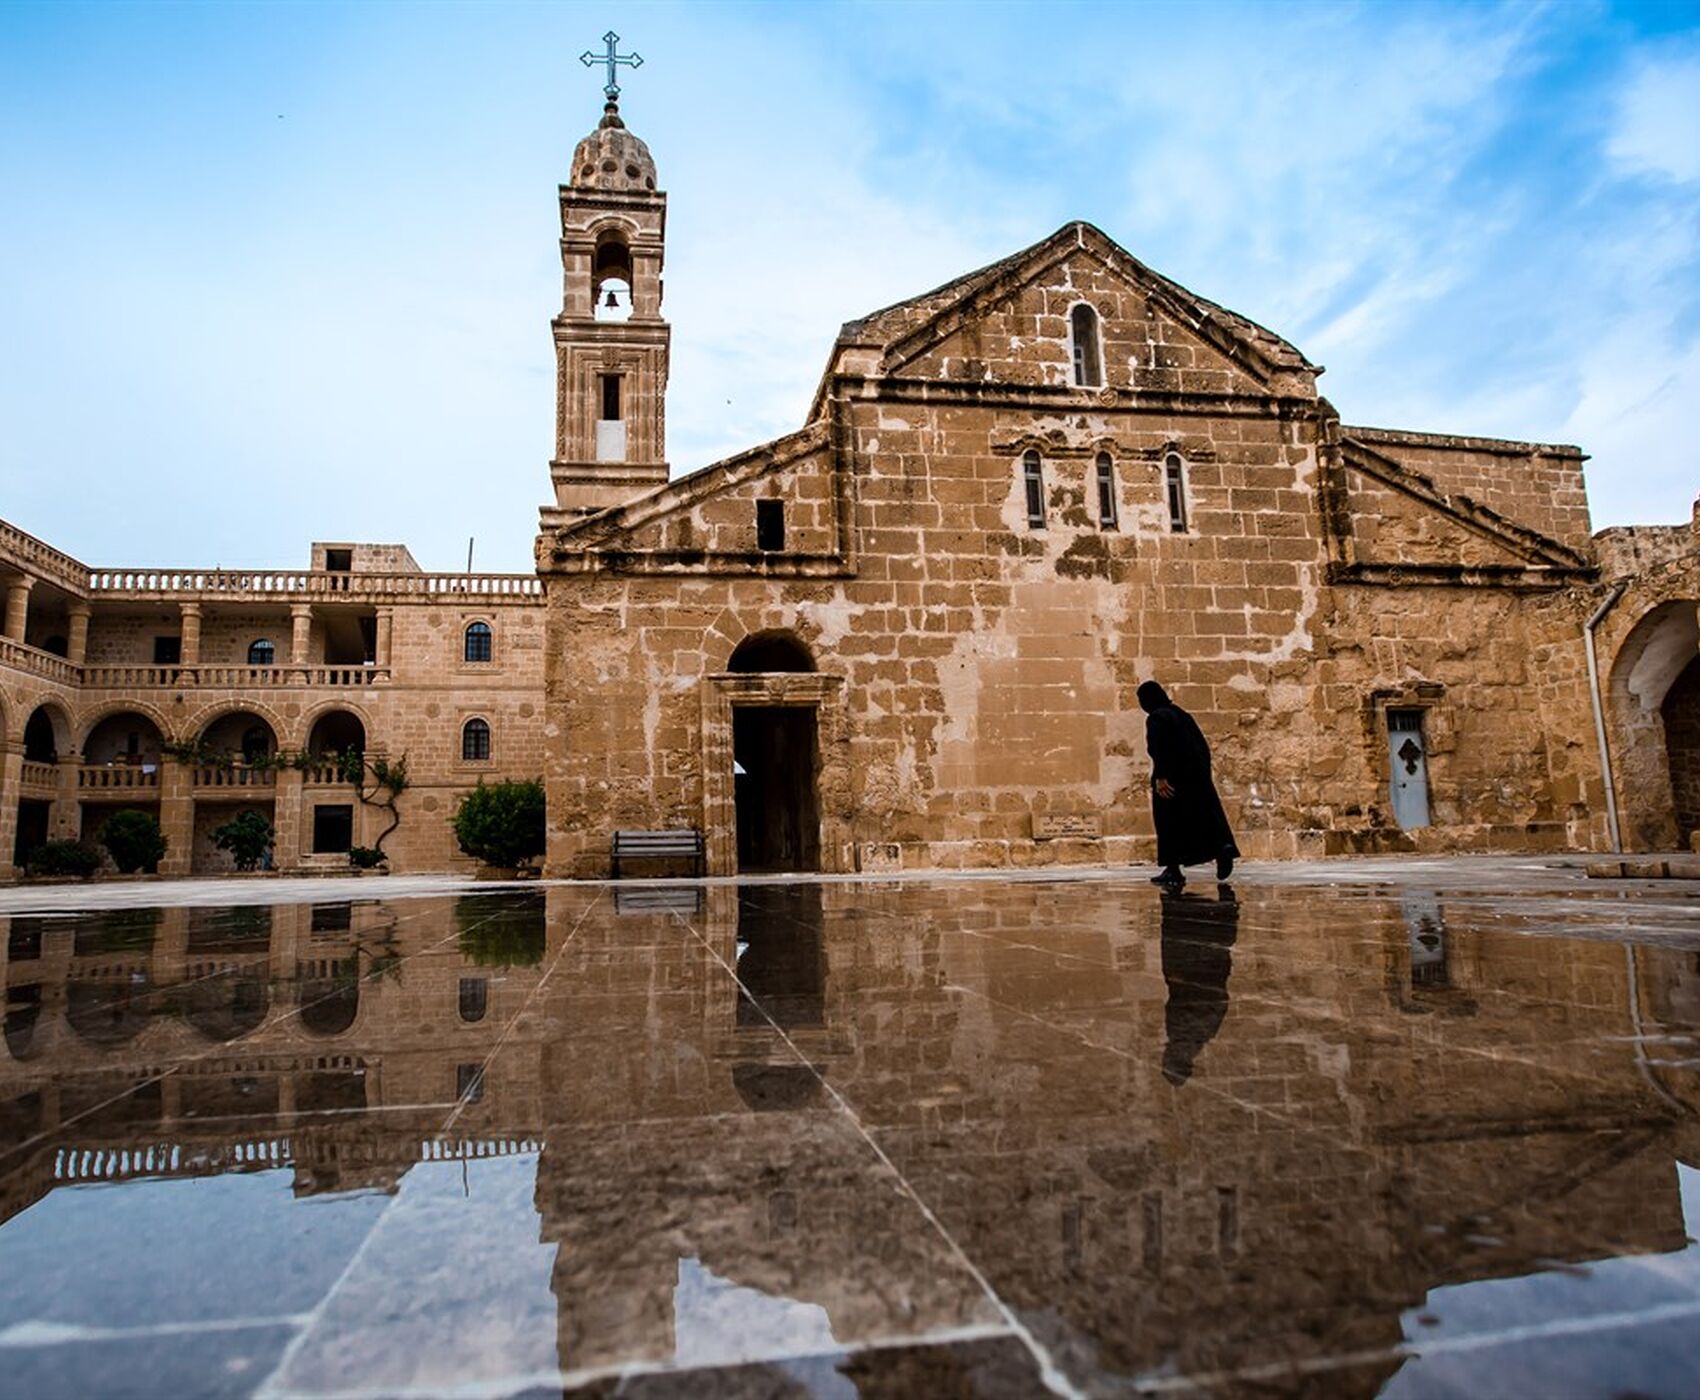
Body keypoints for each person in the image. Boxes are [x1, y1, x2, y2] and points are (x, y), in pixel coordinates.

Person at [1137, 680, 1238, 888]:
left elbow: (1159, 748)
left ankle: (1173, 868)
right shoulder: (1182, 715)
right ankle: (1221, 848)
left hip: (1171, 779)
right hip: (1195, 777)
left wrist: (1161, 776)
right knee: (1200, 818)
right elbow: (1201, 745)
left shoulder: (1157, 718)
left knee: (1169, 822)